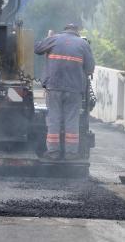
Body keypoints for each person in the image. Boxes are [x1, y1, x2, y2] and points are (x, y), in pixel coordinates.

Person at [34, 23, 95, 161]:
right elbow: (90, 68)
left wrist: (48, 38)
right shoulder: (83, 44)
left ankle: (53, 152)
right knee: (71, 120)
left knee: (54, 119)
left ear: (65, 30)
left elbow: (37, 49)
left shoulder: (54, 39)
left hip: (54, 87)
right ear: (77, 32)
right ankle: (71, 154)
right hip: (74, 89)